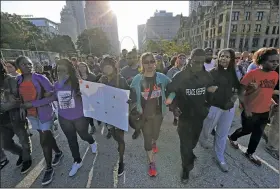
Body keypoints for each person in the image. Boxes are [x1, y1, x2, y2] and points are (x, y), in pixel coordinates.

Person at [25, 59, 98, 177]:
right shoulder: (56, 85)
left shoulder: (79, 83)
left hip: (79, 117)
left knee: (84, 135)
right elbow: (51, 99)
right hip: (64, 119)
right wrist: (32, 104)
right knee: (71, 140)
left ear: (70, 71)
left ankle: (92, 142)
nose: (61, 73)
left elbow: (95, 95)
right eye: (58, 70)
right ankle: (77, 161)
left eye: (64, 70)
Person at [166, 48, 217, 183]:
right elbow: (170, 93)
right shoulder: (180, 76)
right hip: (184, 117)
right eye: (195, 62)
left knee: (192, 143)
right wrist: (173, 107)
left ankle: (190, 155)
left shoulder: (207, 76)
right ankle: (186, 169)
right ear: (190, 60)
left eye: (201, 62)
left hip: (199, 117)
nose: (198, 65)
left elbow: (211, 92)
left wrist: (208, 105)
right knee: (185, 145)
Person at [16, 56, 63, 186]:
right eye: (24, 64)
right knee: (46, 136)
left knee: (44, 140)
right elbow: (20, 98)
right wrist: (22, 107)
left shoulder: (41, 78)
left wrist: (33, 104)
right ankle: (58, 152)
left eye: (29, 64)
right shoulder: (18, 80)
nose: (28, 66)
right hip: (31, 116)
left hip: (45, 113)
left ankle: (48, 168)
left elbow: (53, 96)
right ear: (19, 67)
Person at [228, 47, 279, 166]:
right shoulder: (252, 74)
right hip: (250, 110)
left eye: (277, 61)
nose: (275, 63)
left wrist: (273, 102)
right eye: (272, 61)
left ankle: (250, 153)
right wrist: (246, 108)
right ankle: (233, 137)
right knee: (247, 130)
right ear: (261, 60)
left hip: (265, 111)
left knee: (258, 133)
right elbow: (240, 92)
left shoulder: (275, 75)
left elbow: (268, 91)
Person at [130, 52, 175, 177]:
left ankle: (154, 141)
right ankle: (151, 162)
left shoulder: (162, 77)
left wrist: (169, 99)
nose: (149, 64)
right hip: (143, 115)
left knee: (155, 134)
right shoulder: (137, 79)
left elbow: (174, 88)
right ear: (142, 64)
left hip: (159, 113)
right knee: (147, 138)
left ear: (155, 63)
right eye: (146, 62)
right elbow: (131, 95)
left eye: (151, 61)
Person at [199, 48, 241, 172]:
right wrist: (208, 89)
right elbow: (202, 88)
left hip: (228, 109)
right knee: (207, 129)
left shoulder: (234, 72)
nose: (224, 58)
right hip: (214, 107)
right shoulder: (212, 72)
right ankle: (203, 140)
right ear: (218, 57)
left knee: (222, 134)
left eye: (227, 57)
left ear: (231, 59)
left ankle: (220, 157)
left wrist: (233, 99)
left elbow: (237, 89)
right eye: (222, 56)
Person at [98, 56, 133, 176]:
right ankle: (119, 145)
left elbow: (130, 94)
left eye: (109, 66)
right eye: (105, 66)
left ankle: (121, 161)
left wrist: (128, 101)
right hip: (107, 113)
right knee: (113, 135)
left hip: (119, 113)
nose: (107, 68)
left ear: (113, 67)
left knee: (120, 139)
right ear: (102, 68)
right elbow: (96, 94)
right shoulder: (101, 80)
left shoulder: (120, 79)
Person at [0, 60, 32, 173]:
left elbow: (18, 101)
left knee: (23, 139)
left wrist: (3, 107)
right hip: (2, 121)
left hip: (15, 116)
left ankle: (27, 158)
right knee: (6, 144)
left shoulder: (11, 81)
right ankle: (21, 154)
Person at [78, 62, 97, 135]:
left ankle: (103, 123)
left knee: (97, 111)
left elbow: (96, 86)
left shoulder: (92, 76)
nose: (82, 68)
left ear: (86, 67)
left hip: (93, 97)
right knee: (88, 113)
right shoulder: (77, 77)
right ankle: (92, 126)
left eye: (83, 66)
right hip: (83, 98)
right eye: (80, 67)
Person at [264, 64, 279, 160]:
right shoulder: (276, 68)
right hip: (274, 100)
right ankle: (271, 146)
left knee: (276, 124)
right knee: (273, 124)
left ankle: (271, 142)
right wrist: (275, 92)